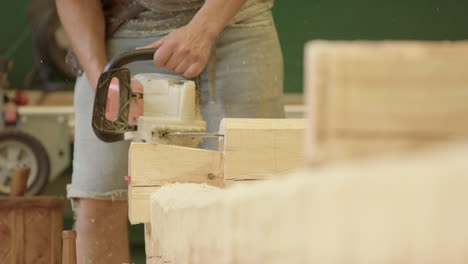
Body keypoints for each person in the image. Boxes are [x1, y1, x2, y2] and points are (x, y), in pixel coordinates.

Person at [56, 0, 284, 263]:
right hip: (121, 31)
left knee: (244, 194)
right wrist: (103, 80)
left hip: (232, 25)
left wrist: (203, 28)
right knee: (98, 201)